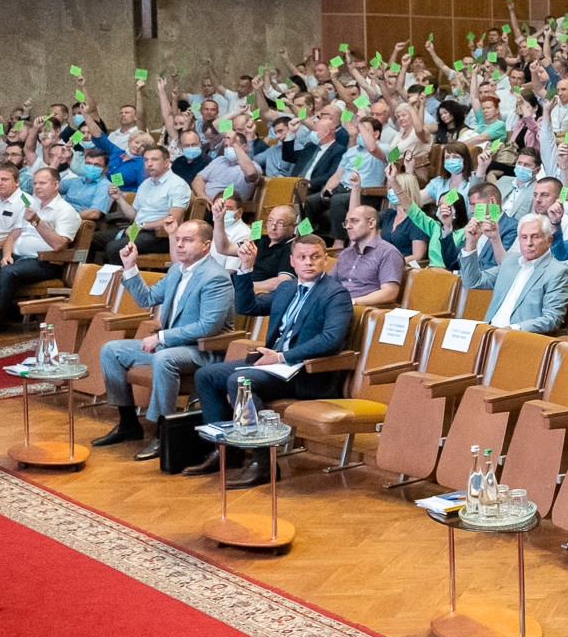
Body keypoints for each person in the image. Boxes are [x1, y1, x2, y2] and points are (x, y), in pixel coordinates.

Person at [189, 233, 354, 487]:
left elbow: (331, 339)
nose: (308, 262)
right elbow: (248, 307)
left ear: (325, 260)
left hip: (306, 373)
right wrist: (246, 270)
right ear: (292, 261)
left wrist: (281, 356)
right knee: (207, 375)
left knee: (241, 380)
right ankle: (227, 450)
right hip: (275, 367)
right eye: (302, 257)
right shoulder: (287, 287)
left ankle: (264, 464)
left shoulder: (335, 294)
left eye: (315, 257)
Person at [92, 220, 234, 460]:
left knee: (163, 357)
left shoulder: (215, 277)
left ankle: (163, 432)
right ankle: (128, 424)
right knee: (111, 350)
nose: (179, 245)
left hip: (202, 350)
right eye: (178, 239)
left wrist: (161, 337)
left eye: (187, 240)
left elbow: (208, 327)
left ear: (206, 245)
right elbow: (146, 299)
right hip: (171, 345)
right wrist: (130, 267)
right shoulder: (176, 270)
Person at [0, 165, 80, 346]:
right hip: (17, 256)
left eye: (43, 183)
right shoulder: (32, 205)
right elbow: (14, 234)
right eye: (35, 183)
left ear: (56, 184)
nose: (38, 187)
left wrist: (38, 222)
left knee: (9, 271)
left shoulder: (66, 211)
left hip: (44, 262)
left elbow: (58, 244)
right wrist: (6, 254)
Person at [458, 213, 568, 333]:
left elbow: (552, 319)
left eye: (535, 237)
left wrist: (513, 329)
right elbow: (472, 281)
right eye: (524, 237)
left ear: (549, 240)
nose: (529, 243)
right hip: (488, 333)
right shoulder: (510, 261)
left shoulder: (559, 272)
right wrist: (471, 243)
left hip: (517, 339)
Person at [330, 203, 404, 306]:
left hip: (363, 310)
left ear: (371, 223)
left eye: (354, 221)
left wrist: (352, 302)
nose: (347, 227)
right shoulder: (345, 254)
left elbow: (389, 293)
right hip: (335, 307)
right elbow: (328, 285)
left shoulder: (388, 252)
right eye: (346, 223)